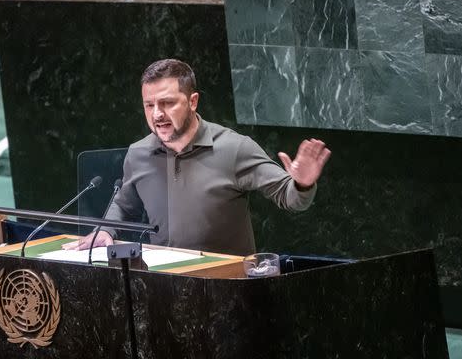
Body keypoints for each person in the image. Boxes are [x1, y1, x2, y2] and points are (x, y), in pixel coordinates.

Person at [64, 59, 331, 256]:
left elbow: (290, 197)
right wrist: (107, 230)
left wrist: (302, 183)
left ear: (192, 101)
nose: (157, 114)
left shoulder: (234, 148)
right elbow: (124, 205)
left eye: (167, 103)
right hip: (164, 282)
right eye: (149, 105)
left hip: (226, 285)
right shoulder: (139, 153)